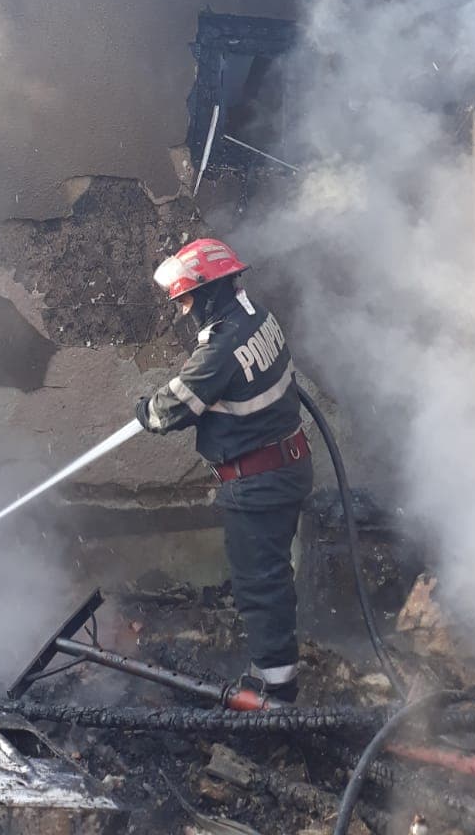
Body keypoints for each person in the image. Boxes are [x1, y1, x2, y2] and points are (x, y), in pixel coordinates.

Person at [135, 236, 313, 702]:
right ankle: (272, 674)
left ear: (209, 293)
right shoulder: (258, 317)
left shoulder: (220, 349)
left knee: (259, 583)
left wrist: (144, 409)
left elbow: (166, 412)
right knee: (271, 575)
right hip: (286, 465)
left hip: (258, 482)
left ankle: (275, 697)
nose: (183, 311)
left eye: (186, 300)